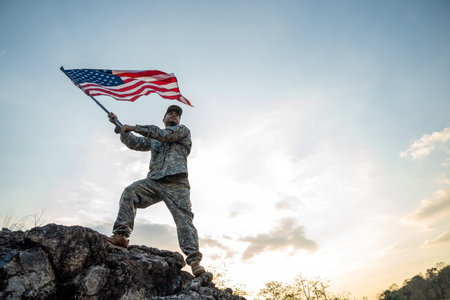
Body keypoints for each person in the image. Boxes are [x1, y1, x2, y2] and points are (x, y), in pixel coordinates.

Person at [106, 105, 205, 276]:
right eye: (170, 113)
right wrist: (121, 128)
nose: (173, 115)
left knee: (184, 219)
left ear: (179, 121)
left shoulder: (182, 131)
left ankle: (194, 261)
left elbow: (162, 134)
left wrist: (135, 127)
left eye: (176, 114)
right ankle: (121, 237)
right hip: (154, 181)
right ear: (164, 118)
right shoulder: (155, 139)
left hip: (177, 183)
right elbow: (136, 143)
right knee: (130, 192)